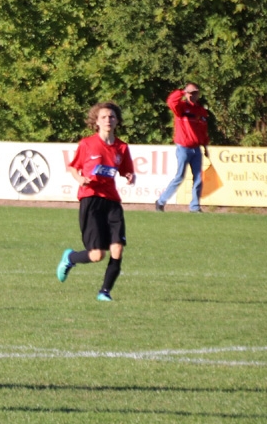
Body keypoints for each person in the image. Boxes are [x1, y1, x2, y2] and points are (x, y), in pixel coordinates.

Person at [56, 101, 136, 302]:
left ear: (117, 121)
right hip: (91, 199)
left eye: (112, 117)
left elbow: (126, 170)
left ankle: (104, 292)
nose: (108, 120)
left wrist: (129, 176)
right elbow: (73, 167)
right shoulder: (87, 144)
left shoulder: (122, 147)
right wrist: (79, 178)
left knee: (117, 248)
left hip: (112, 201)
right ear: (96, 121)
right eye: (104, 117)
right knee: (97, 255)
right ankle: (70, 258)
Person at [155, 83, 210, 213]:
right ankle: (161, 201)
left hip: (196, 149)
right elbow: (170, 101)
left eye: (194, 93)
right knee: (180, 176)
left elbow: (203, 131)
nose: (192, 95)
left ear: (198, 94)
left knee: (198, 178)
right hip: (183, 148)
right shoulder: (181, 108)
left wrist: (205, 146)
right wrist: (182, 91)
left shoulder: (201, 111)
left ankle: (195, 207)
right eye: (190, 93)